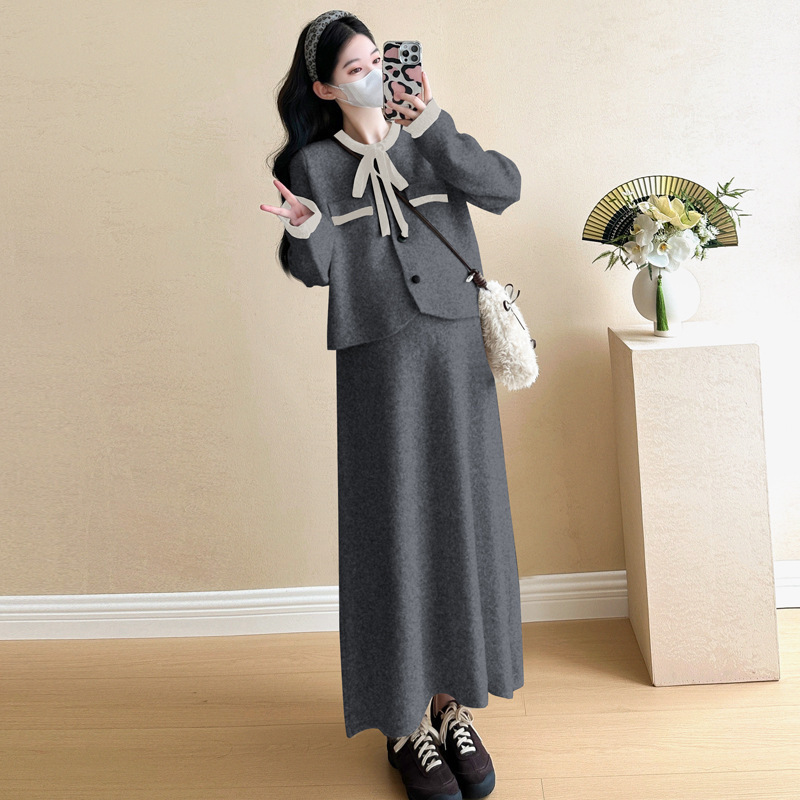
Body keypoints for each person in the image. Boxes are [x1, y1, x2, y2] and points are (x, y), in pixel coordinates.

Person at [261, 10, 523, 800]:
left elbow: (503, 188)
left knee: (460, 519)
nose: (374, 75)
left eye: (378, 59)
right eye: (355, 69)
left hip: (456, 356)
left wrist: (430, 120)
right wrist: (305, 228)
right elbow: (315, 268)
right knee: (391, 529)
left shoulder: (430, 138)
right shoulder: (312, 164)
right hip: (378, 362)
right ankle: (403, 721)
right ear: (324, 90)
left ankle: (451, 706)